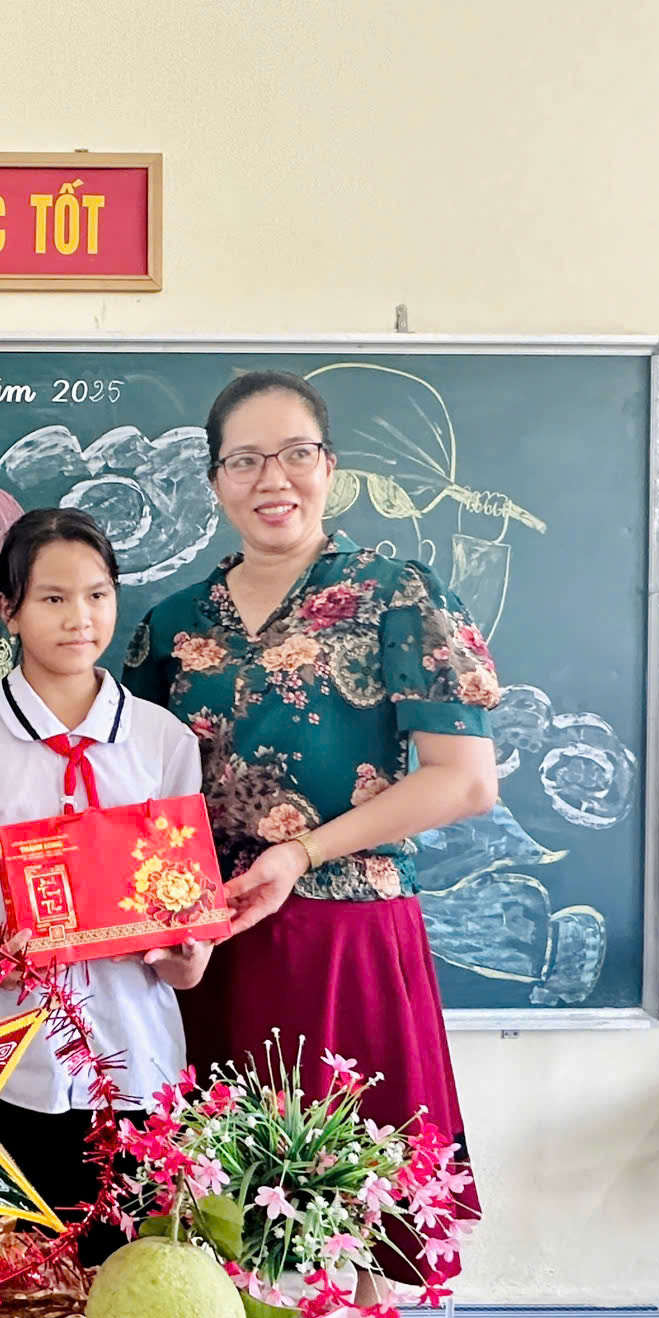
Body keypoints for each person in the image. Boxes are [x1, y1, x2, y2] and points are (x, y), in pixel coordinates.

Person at [126, 369, 500, 1245]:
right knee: (211, 1224)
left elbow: (464, 779)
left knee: (352, 1215)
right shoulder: (171, 624)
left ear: (330, 466)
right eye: (245, 460)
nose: (273, 479)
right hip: (208, 942)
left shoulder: (396, 595)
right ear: (216, 480)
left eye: (296, 454)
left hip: (347, 936)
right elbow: (137, 794)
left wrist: (301, 853)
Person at [0, 508, 211, 1213]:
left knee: (125, 1260)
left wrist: (189, 952)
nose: (80, 619)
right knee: (1, 1267)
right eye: (52, 598)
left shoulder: (163, 743)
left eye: (97, 595)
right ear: (7, 610)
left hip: (132, 1053)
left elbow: (182, 895)